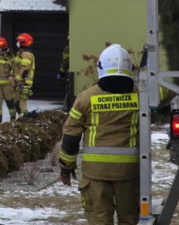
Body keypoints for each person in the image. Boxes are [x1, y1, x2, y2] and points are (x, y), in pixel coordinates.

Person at [59, 44, 139, 225]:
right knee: (130, 218)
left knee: (99, 219)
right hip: (129, 172)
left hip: (96, 173)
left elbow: (71, 135)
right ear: (130, 69)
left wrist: (66, 166)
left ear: (100, 67)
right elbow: (165, 93)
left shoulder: (86, 98)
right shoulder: (141, 95)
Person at [12, 33, 36, 119]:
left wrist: (17, 79)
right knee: (17, 101)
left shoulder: (26, 54)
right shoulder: (21, 53)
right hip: (22, 81)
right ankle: (22, 117)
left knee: (21, 100)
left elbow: (25, 69)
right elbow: (16, 67)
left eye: (19, 41)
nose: (17, 43)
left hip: (24, 82)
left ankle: (24, 119)